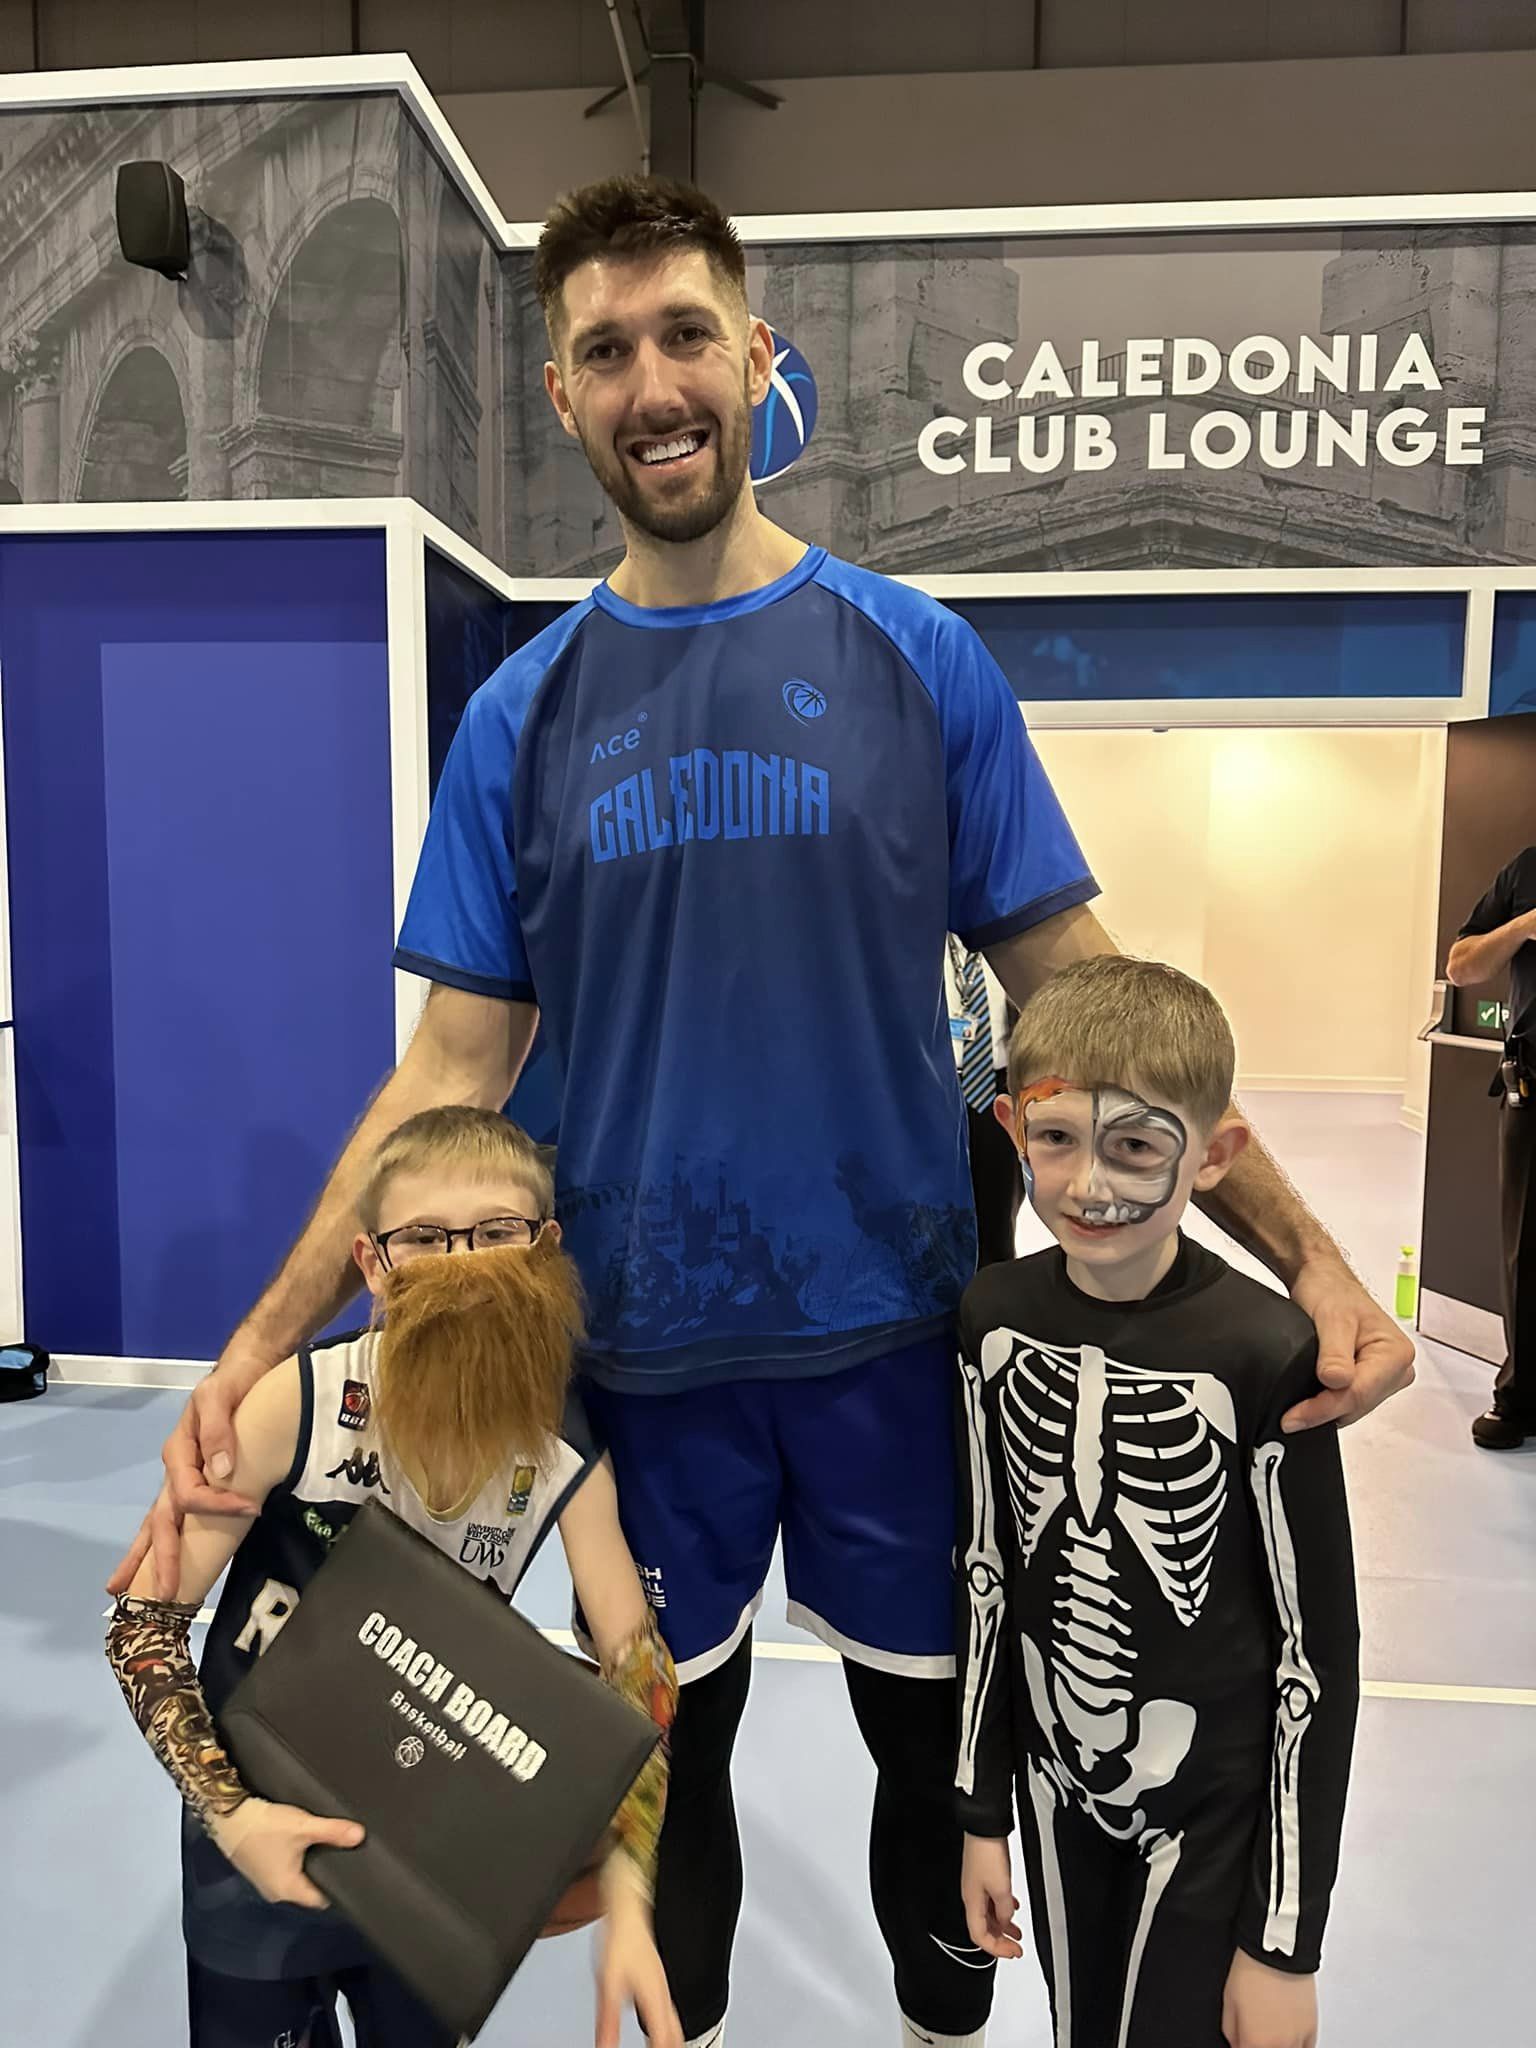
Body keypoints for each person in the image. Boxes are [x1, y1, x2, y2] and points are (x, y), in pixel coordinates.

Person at [111, 177, 1410, 2048]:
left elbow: (1086, 999)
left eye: (687, 334)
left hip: (897, 1339)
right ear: (561, 395)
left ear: (757, 357)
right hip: (639, 1356)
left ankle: (938, 2020)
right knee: (668, 1750)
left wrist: (1308, 1255)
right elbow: (445, 1073)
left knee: (931, 1749)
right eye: (607, 349)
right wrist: (250, 1349)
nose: (653, 382)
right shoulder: (525, 717)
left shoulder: (913, 657)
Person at [106, 1107, 681, 2048]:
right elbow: (144, 1624)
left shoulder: (561, 1454)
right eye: (425, 1239)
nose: (463, 1266)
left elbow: (637, 1673)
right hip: (256, 1832)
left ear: (545, 1248)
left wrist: (628, 1889)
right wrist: (233, 1816)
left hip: (424, 1849)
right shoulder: (300, 1402)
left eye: (497, 1232)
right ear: (373, 1264)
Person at [956, 956, 1358, 2048]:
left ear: (1214, 1154)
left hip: (1212, 1811)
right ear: (1010, 1126)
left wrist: (1284, 1938)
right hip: (1048, 1792)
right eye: (1055, 1137)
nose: (1091, 1182)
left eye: (1136, 1144)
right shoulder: (991, 1317)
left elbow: (1316, 1657)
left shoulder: (1265, 1351)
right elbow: (987, 1573)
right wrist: (981, 1811)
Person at [1446, 845, 1536, 1449]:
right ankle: (1522, 1397)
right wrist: (1528, 924)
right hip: (1533, 1088)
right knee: (1526, 1256)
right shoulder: (1527, 869)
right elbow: (1463, 967)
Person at [945, 935, 1023, 1266]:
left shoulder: (1012, 941)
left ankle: (996, 1281)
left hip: (999, 1085)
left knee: (997, 1202)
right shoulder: (919, 937)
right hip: (937, 1081)